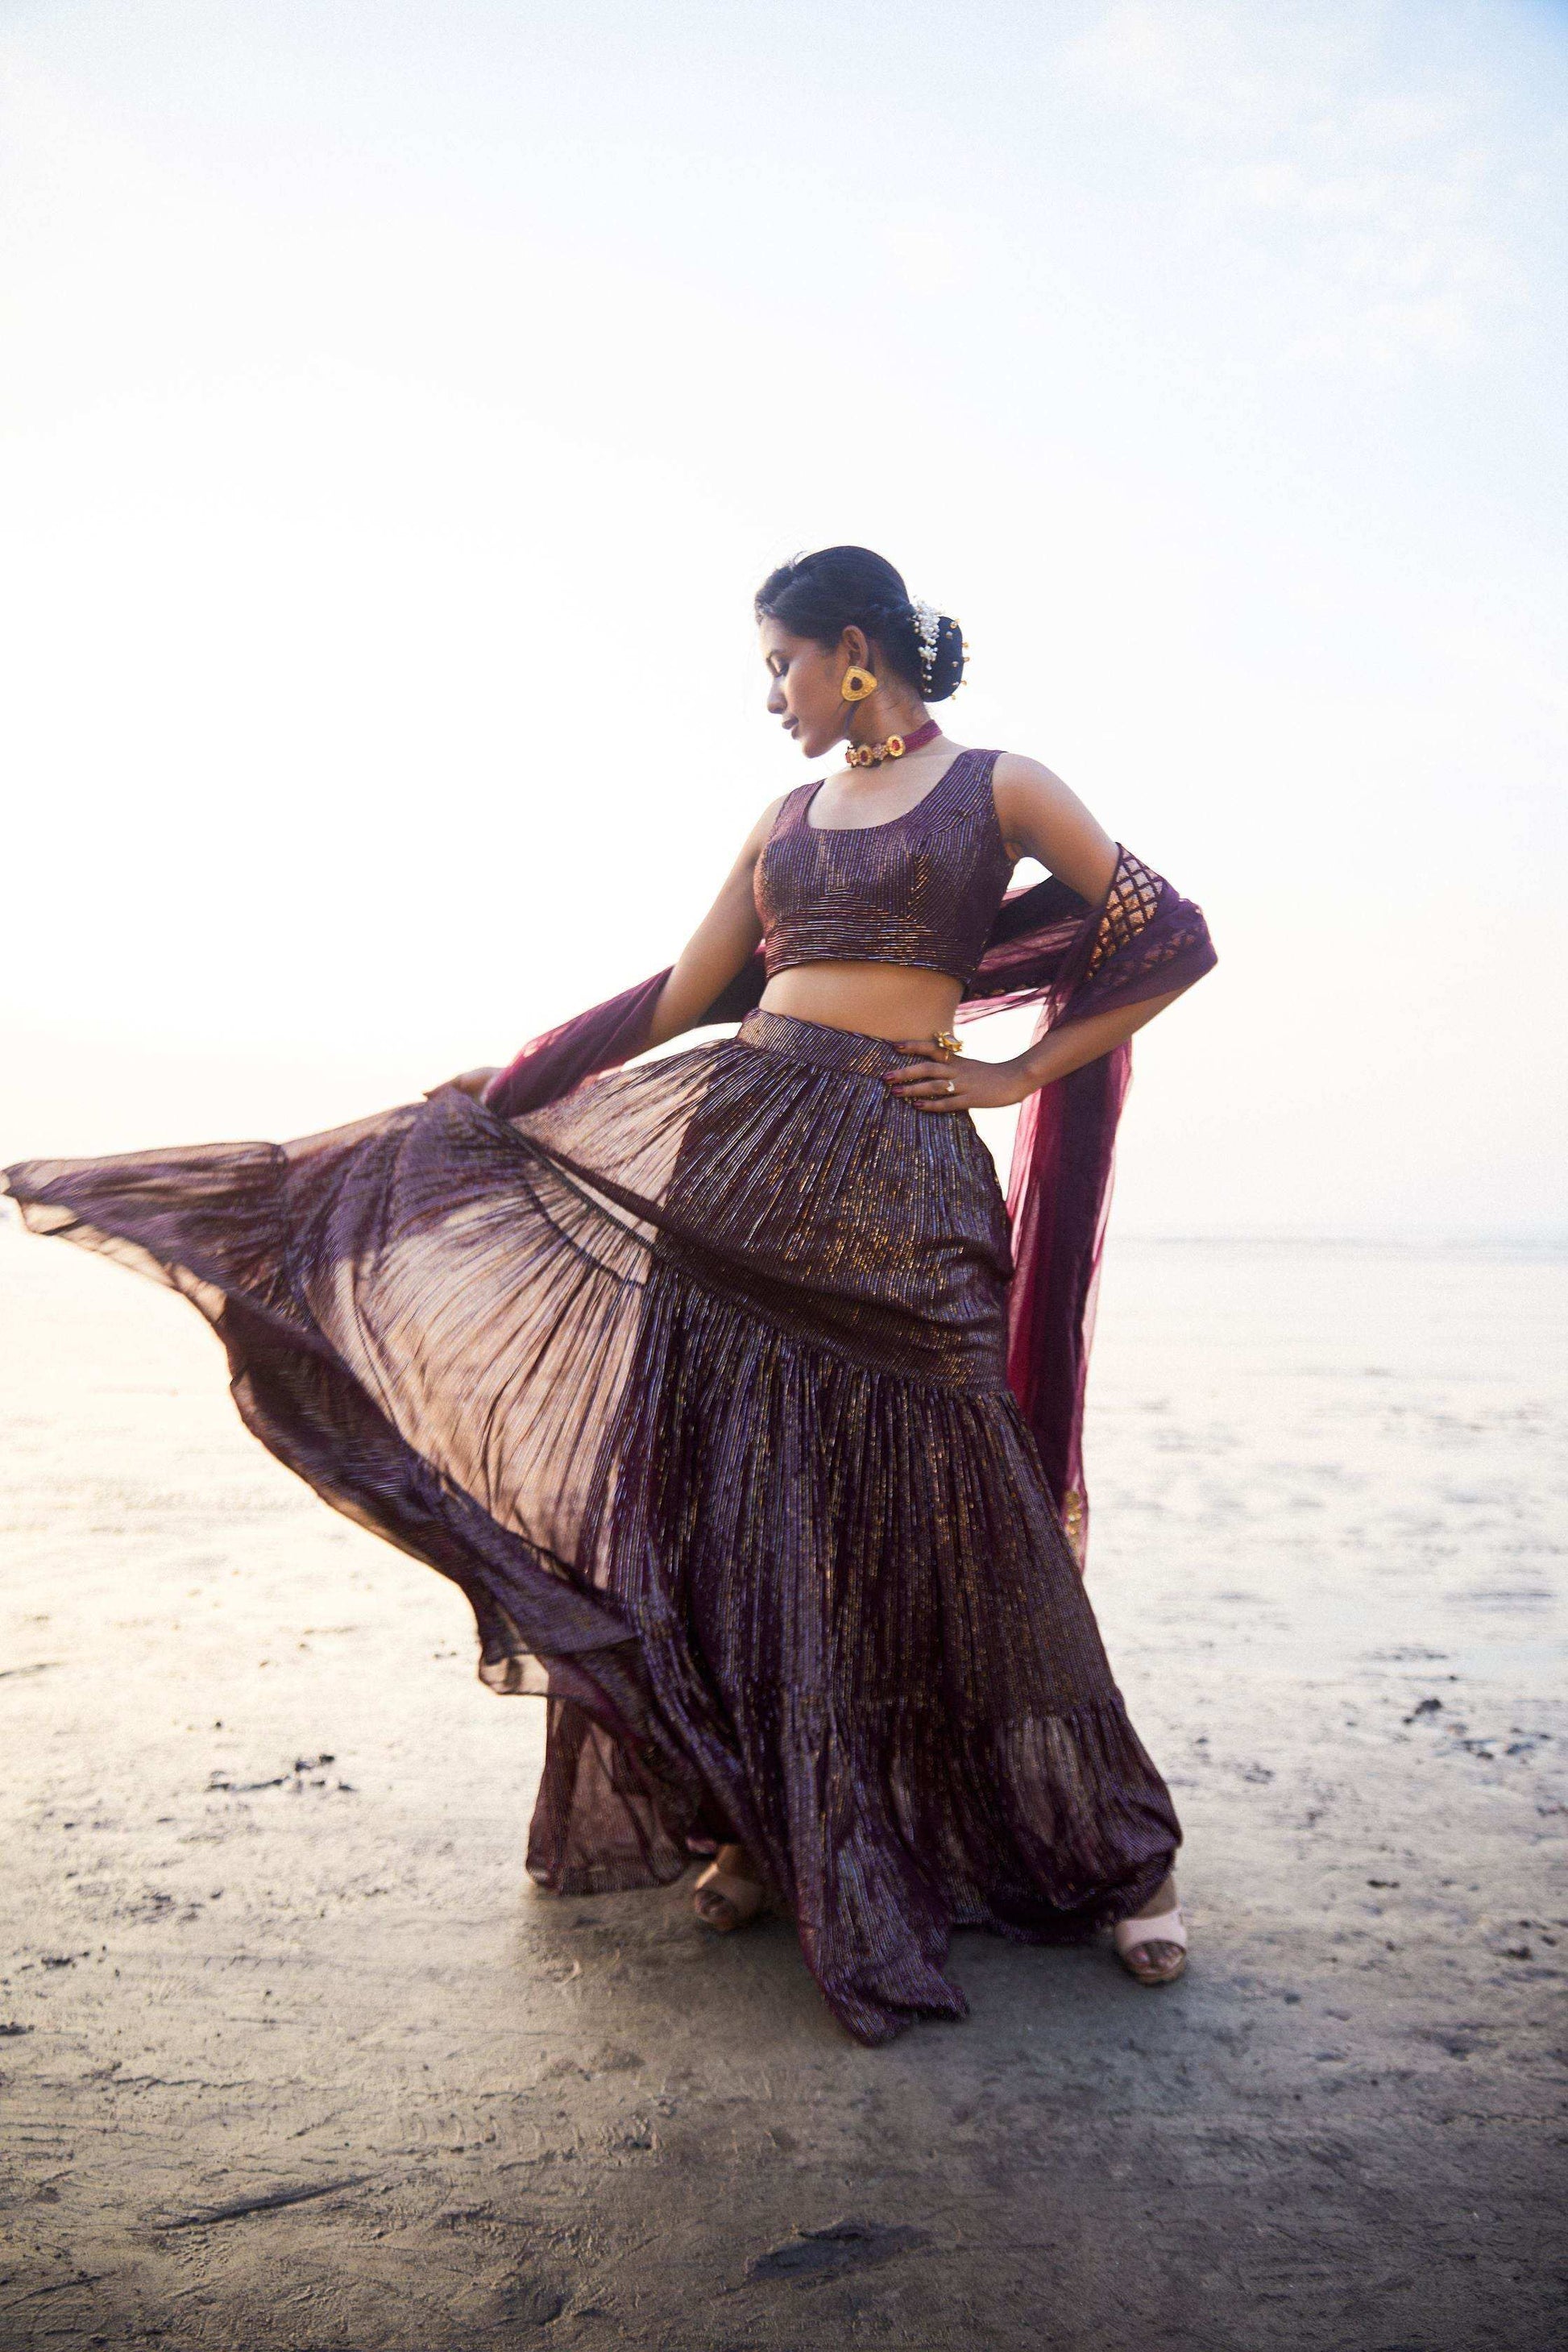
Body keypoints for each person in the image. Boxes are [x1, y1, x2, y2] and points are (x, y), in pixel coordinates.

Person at [3, 545, 1215, 2047]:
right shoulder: (783, 822)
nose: (768, 696)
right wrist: (514, 1084)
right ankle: (765, 1829)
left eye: (776, 663)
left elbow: (1168, 933)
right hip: (734, 1166)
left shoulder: (1002, 787)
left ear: (851, 648)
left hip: (905, 1183)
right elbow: (682, 995)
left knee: (974, 1517)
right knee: (733, 1508)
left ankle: (1117, 1859)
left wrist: (1017, 1072)